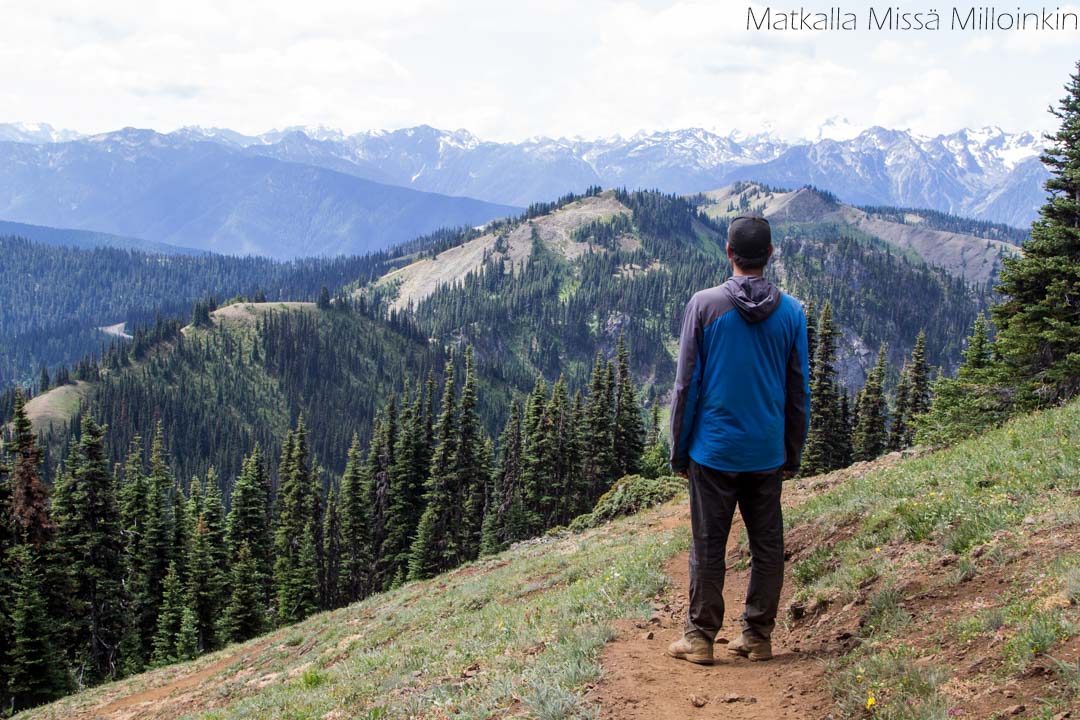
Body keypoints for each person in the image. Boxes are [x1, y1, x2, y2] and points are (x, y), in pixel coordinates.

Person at [665, 215, 810, 665]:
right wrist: (792, 450)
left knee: (708, 543)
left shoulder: (704, 306)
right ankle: (757, 635)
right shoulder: (793, 311)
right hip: (766, 450)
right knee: (767, 545)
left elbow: (686, 384)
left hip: (713, 450)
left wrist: (679, 449)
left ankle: (701, 637)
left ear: (728, 252)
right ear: (770, 254)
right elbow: (798, 389)